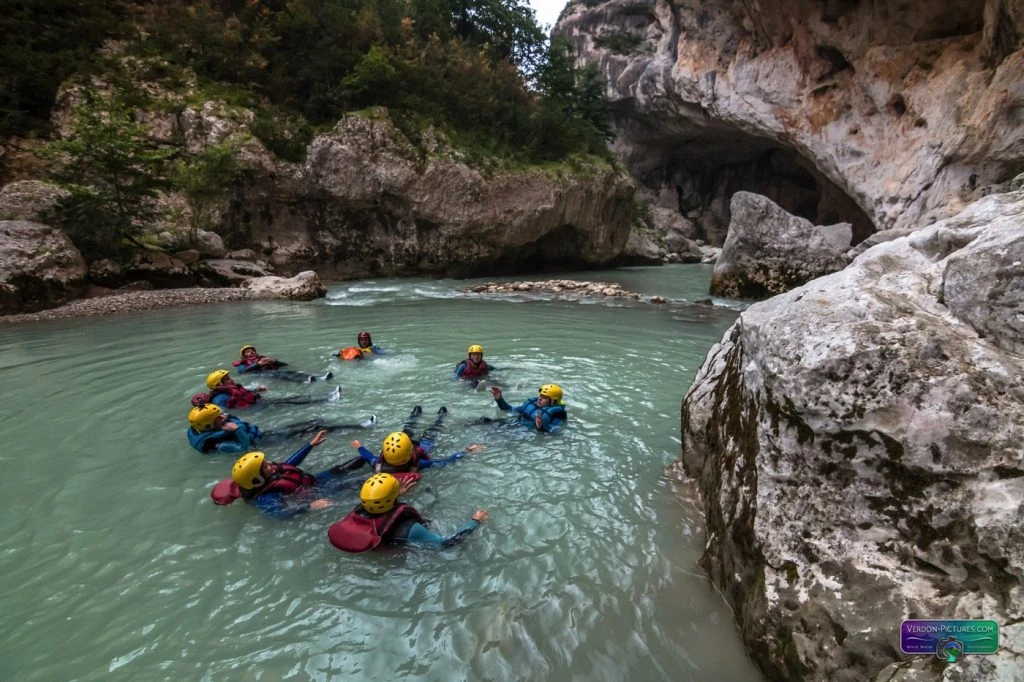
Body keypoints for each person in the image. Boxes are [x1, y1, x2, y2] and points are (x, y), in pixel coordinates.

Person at [211, 431, 367, 518]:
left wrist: (310, 445)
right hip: (315, 494)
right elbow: (279, 514)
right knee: (355, 483)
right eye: (264, 466)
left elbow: (289, 464)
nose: (270, 464)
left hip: (316, 481)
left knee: (352, 463)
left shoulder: (269, 473)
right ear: (257, 478)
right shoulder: (265, 497)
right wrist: (309, 507)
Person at [327, 473, 489, 552]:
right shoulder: (410, 528)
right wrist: (475, 522)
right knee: (430, 501)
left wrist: (394, 494)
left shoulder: (358, 512)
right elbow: (445, 544)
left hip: (370, 550)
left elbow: (378, 505)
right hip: (396, 561)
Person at [187, 403, 377, 455]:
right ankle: (361, 426)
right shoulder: (219, 444)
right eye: (218, 418)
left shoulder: (214, 427)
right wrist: (236, 430)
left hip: (265, 434)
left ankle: (356, 424)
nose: (224, 417)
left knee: (314, 421)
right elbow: (245, 449)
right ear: (208, 425)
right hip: (267, 442)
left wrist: (232, 425)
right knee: (316, 428)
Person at [196, 369, 340, 410]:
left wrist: (257, 390)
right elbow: (226, 411)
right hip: (257, 406)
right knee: (290, 401)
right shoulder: (219, 398)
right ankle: (327, 399)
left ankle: (326, 397)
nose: (230, 380)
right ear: (219, 384)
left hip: (258, 402)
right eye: (226, 379)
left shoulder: (227, 391)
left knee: (291, 399)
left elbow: (242, 394)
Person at [233, 344, 332, 383]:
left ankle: (320, 376)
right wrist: (258, 365)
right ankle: (306, 380)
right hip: (263, 374)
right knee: (282, 374)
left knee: (291, 371)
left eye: (252, 350)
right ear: (244, 355)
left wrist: (275, 361)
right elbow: (242, 372)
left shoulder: (263, 358)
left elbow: (285, 365)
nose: (251, 352)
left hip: (273, 370)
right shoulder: (242, 363)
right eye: (247, 352)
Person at [489, 383, 567, 432]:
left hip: (522, 433)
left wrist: (540, 427)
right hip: (512, 423)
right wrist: (499, 399)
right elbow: (509, 409)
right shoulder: (533, 405)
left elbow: (552, 433)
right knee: (483, 421)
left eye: (544, 397)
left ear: (553, 402)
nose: (539, 398)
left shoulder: (556, 417)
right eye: (540, 395)